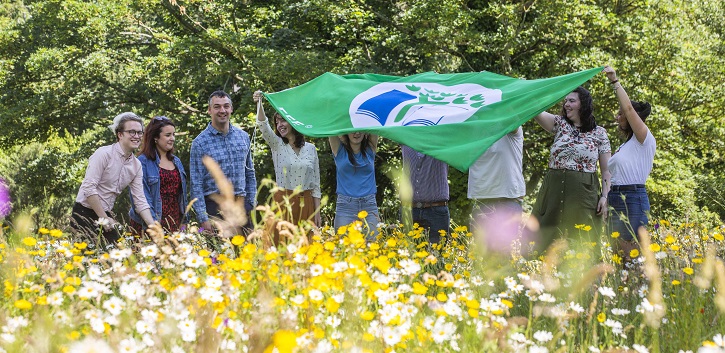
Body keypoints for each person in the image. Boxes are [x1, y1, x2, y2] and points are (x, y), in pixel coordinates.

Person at [532, 86, 612, 250]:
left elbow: (606, 170)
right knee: (542, 241)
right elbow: (534, 110)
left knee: (584, 243)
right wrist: (529, 91)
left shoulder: (599, 133)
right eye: (565, 101)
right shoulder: (559, 124)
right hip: (553, 192)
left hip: (583, 195)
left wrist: (605, 196)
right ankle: (539, 274)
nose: (566, 104)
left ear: (583, 104)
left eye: (571, 100)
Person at [71, 112, 155, 248]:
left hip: (107, 214)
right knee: (87, 260)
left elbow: (140, 200)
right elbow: (88, 188)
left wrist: (153, 227)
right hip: (84, 212)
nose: (137, 136)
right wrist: (103, 218)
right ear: (120, 134)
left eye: (140, 133)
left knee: (118, 259)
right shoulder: (103, 154)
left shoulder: (136, 165)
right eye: (132, 132)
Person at [603, 66, 655, 258]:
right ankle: (622, 288)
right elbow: (612, 176)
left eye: (620, 114)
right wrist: (607, 198)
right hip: (616, 197)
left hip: (633, 198)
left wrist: (615, 82)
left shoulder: (644, 139)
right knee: (616, 252)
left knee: (631, 254)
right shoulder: (626, 146)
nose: (617, 117)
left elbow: (628, 108)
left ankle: (638, 286)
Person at [190, 91, 257, 235]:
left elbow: (250, 173)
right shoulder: (199, 143)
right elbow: (196, 184)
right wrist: (203, 218)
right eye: (217, 107)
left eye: (226, 106)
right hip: (215, 209)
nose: (222, 111)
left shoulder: (243, 137)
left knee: (246, 255)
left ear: (231, 109)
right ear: (209, 110)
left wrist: (251, 204)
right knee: (221, 256)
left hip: (242, 206)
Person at [253, 91, 321, 227]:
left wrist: (317, 213)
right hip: (283, 202)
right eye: (277, 122)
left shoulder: (311, 148)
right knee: (282, 246)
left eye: (283, 120)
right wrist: (259, 102)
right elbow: (263, 124)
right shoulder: (277, 145)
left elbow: (316, 186)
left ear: (292, 120)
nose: (279, 125)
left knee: (307, 247)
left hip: (307, 204)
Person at [468, 127, 526, 253]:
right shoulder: (473, 131)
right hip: (482, 201)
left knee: (505, 255)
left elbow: (514, 113)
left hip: (507, 201)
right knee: (483, 258)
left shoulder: (511, 130)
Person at [129, 116, 189, 234]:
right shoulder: (142, 162)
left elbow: (181, 196)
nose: (172, 138)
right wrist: (154, 225)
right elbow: (142, 197)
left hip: (174, 220)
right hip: (149, 221)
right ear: (155, 137)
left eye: (173, 134)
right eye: (168, 135)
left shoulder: (176, 161)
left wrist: (184, 221)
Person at [329, 132, 379, 241]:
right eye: (353, 130)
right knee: (344, 249)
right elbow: (331, 126)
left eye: (360, 129)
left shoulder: (370, 148)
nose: (357, 133)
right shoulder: (339, 149)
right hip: (345, 207)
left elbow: (375, 124)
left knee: (372, 249)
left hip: (369, 205)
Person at [401, 145, 449, 245]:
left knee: (438, 257)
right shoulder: (405, 138)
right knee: (409, 257)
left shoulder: (442, 138)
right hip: (409, 210)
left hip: (437, 211)